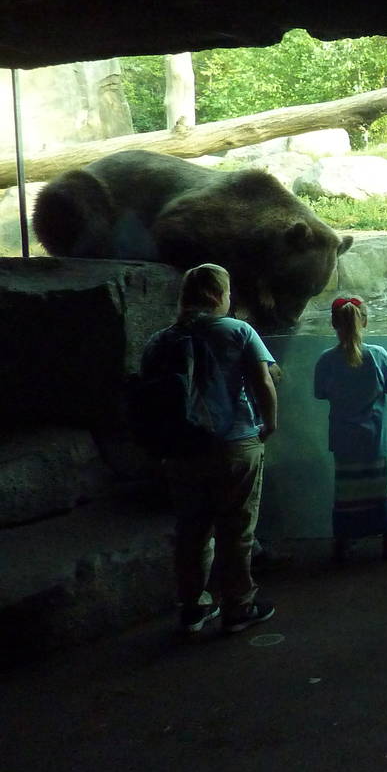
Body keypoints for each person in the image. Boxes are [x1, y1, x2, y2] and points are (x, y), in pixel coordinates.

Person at [143, 263, 279, 636]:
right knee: (237, 527)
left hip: (182, 449)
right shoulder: (237, 331)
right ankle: (239, 606)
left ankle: (193, 607)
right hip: (235, 442)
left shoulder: (160, 341)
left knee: (192, 530)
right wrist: (270, 422)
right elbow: (263, 381)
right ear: (220, 294)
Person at [313, 295, 387, 562]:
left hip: (343, 438)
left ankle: (342, 544)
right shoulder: (378, 355)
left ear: (333, 324)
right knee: (378, 488)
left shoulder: (325, 360)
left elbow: (319, 393)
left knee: (345, 490)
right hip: (372, 438)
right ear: (365, 321)